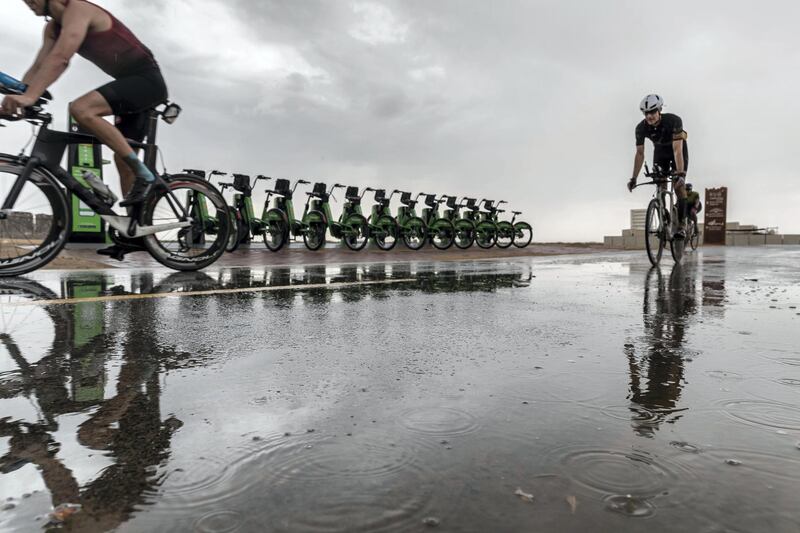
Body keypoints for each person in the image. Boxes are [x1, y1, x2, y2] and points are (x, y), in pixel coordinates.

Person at [1, 0, 169, 256]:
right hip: (128, 84)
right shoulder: (52, 29)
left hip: (147, 81)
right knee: (120, 158)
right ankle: (137, 232)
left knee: (81, 109)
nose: (29, 5)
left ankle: (145, 174)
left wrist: (30, 97)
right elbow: (37, 67)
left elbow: (61, 58)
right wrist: (18, 96)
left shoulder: (79, 10)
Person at [628, 94, 690, 238]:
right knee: (660, 185)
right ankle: (665, 219)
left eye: (653, 112)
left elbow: (677, 150)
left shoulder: (674, 120)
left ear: (660, 110)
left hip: (677, 151)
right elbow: (639, 154)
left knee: (678, 186)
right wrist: (633, 178)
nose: (650, 116)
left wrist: (680, 174)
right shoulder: (640, 128)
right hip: (660, 152)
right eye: (646, 113)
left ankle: (682, 224)